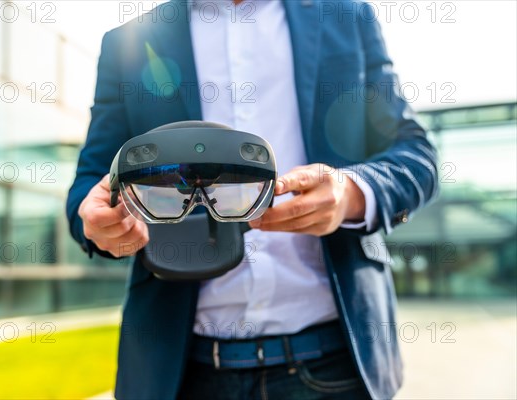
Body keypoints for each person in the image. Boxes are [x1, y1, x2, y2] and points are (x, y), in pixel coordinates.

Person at [66, 0, 438, 399]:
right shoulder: (129, 42)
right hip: (180, 370)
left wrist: (351, 193)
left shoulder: (346, 15)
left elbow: (416, 156)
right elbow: (91, 181)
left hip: (335, 362)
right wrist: (96, 221)